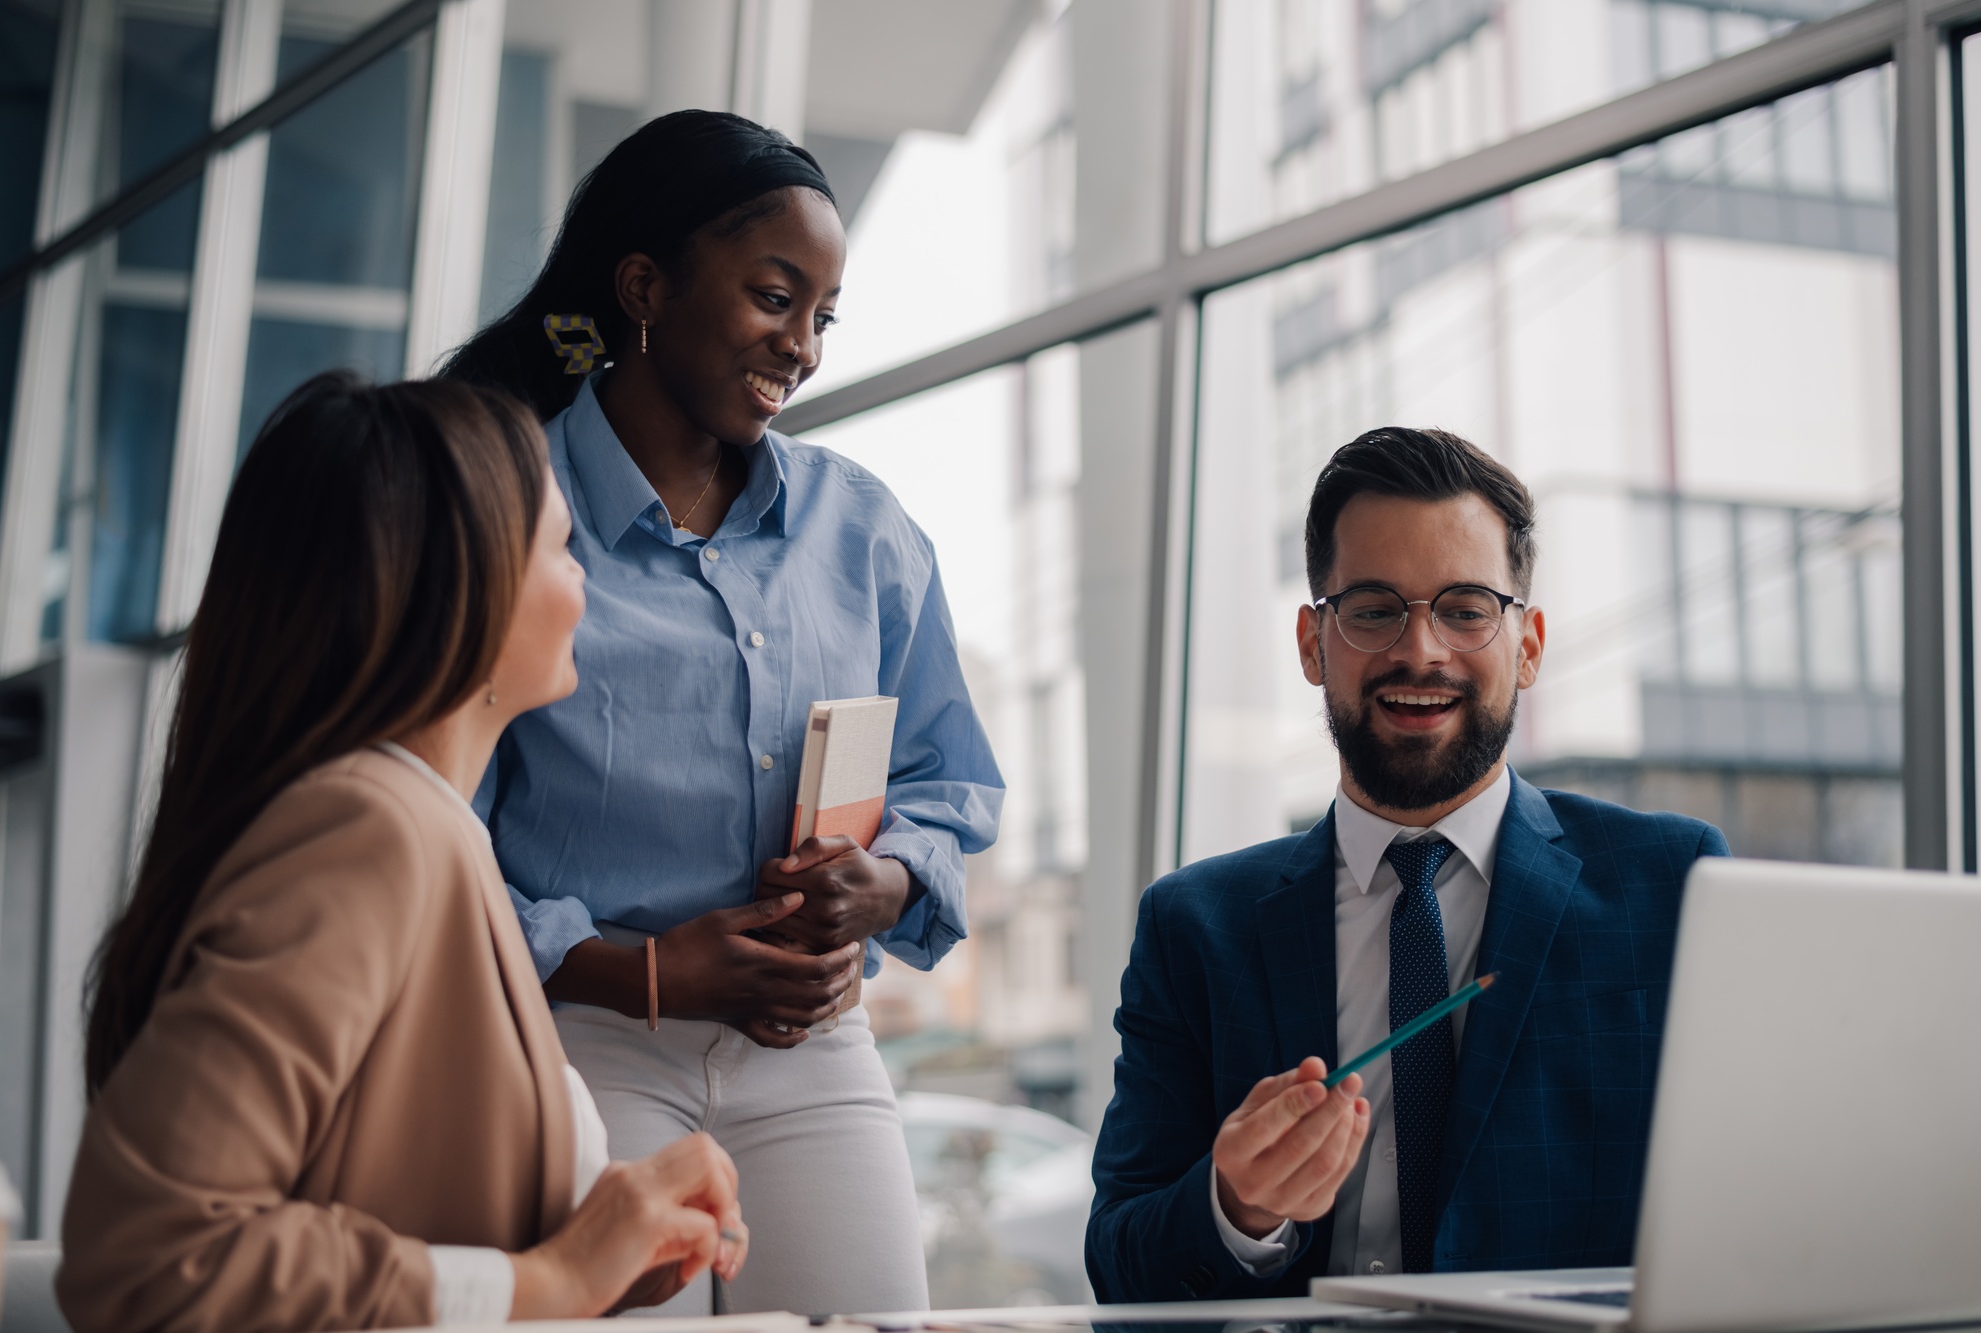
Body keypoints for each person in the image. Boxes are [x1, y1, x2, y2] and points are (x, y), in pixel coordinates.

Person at [440, 110, 1003, 1315]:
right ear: (644, 287)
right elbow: (441, 836)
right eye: (772, 297)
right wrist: (635, 969)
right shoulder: (507, 513)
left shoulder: (864, 531)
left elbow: (948, 785)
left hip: (809, 1049)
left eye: (823, 315)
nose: (801, 346)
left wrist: (885, 883)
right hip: (581, 1041)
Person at [58, 375, 750, 1332]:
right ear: (458, 586)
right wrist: (551, 1282)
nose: (585, 574)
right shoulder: (371, 829)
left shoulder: (435, 829)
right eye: (558, 544)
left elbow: (409, 1205)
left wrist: (609, 1246)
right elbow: (151, 1258)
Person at [1085, 427, 1730, 1302]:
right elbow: (1119, 1267)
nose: (1421, 650)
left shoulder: (1671, 883)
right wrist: (1235, 1205)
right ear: (1314, 644)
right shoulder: (1195, 926)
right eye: (1375, 609)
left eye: (1465, 609)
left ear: (1528, 644)